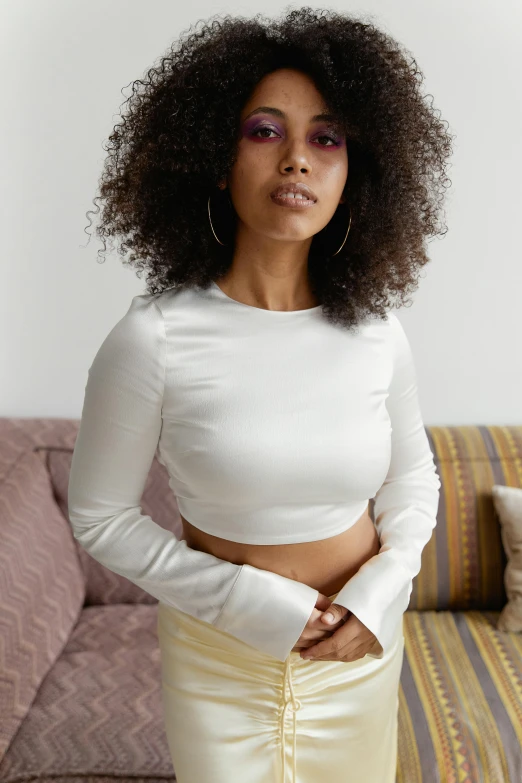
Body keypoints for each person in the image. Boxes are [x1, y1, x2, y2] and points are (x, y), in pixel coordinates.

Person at [68, 8, 452, 783]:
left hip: (361, 653)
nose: (299, 162)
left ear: (355, 171)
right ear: (215, 157)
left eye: (327, 138)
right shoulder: (155, 336)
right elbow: (99, 515)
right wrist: (248, 603)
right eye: (265, 132)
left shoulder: (379, 330)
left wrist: (379, 594)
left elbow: (414, 478)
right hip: (223, 664)